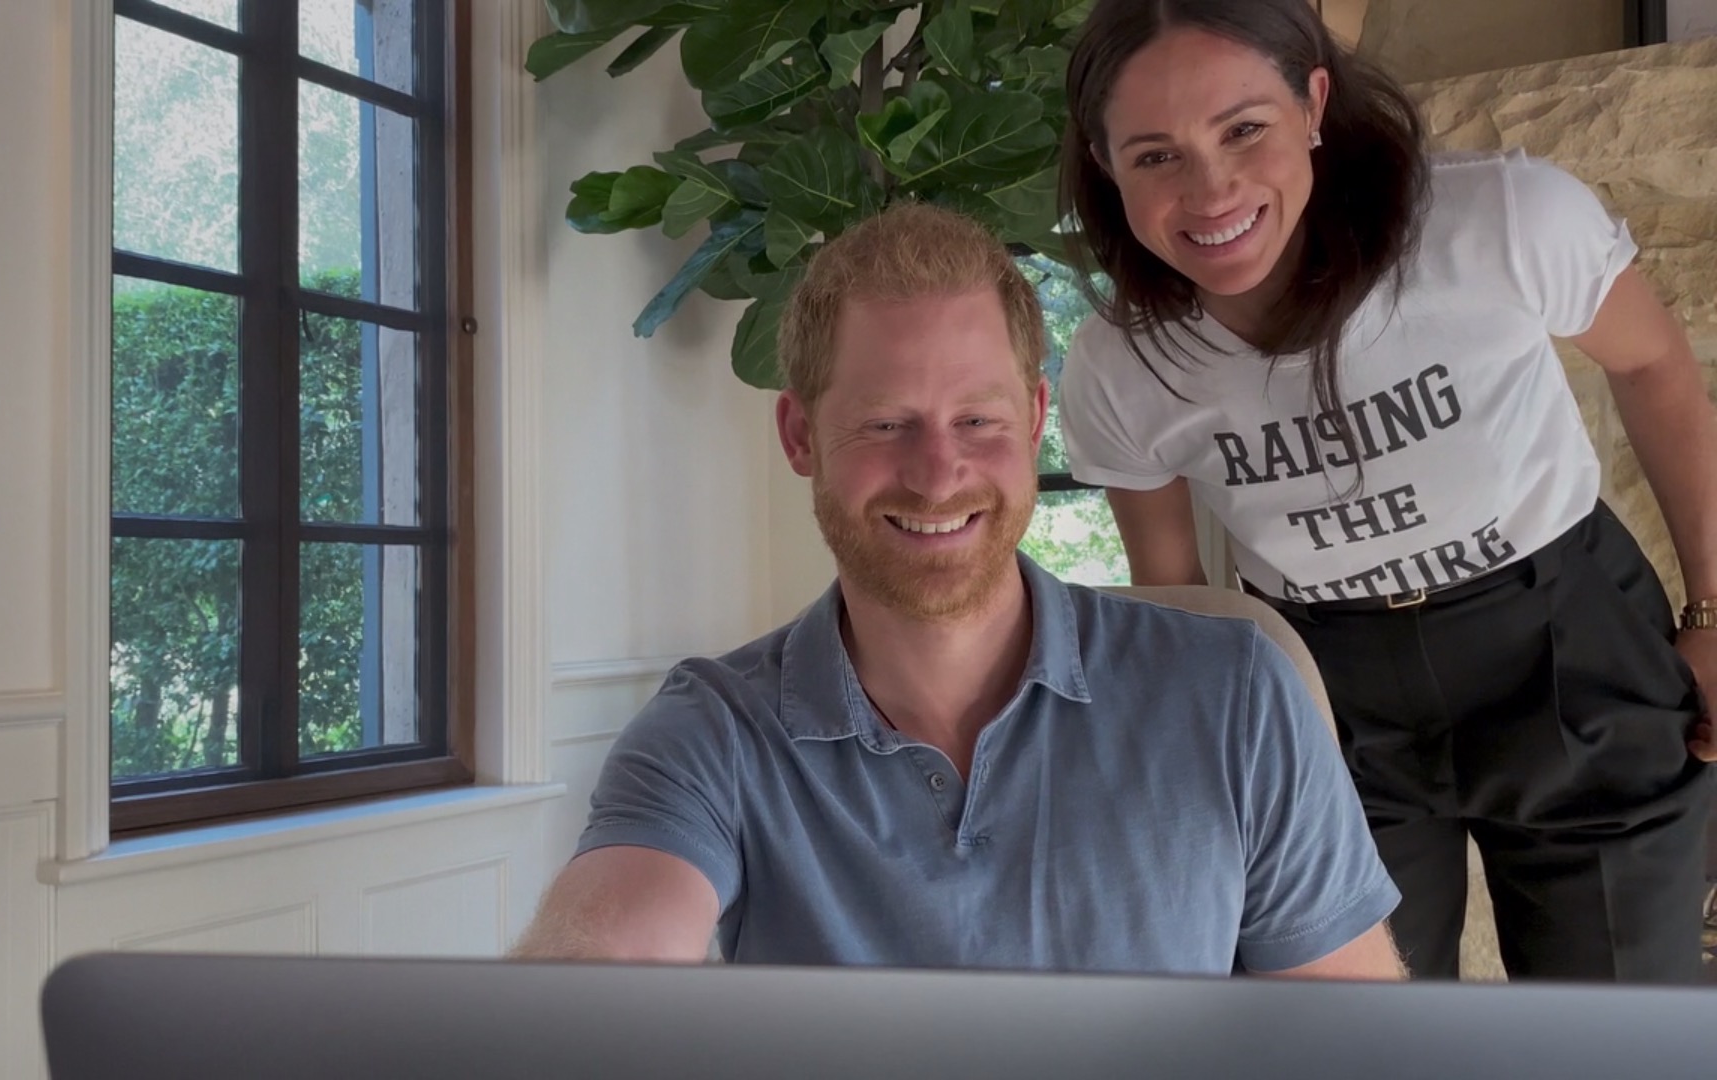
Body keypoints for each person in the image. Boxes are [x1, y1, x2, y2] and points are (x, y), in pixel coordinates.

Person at [511, 201, 1405, 979]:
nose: (938, 476)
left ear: (1035, 421)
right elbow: (603, 966)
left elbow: (1355, 1041)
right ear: (800, 437)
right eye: (885, 423)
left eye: (977, 420)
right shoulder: (713, 732)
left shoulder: (1236, 693)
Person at [1056, 0, 1717, 984]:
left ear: (1314, 100)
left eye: (1244, 128)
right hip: (1328, 695)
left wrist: (1714, 611)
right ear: (1106, 165)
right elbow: (1175, 593)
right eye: (1155, 155)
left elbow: (1658, 368)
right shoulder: (1122, 367)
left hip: (1564, 643)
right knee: (1362, 1038)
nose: (1211, 188)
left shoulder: (1497, 218)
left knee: (1614, 1029)